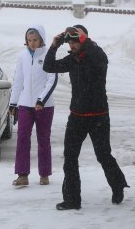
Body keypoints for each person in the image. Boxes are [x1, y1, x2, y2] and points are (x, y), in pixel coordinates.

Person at [43, 25, 129, 210]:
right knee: (70, 157)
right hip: (76, 117)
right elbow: (48, 67)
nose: (72, 45)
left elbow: (100, 60)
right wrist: (54, 46)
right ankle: (72, 199)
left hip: (98, 116)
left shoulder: (97, 54)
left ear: (84, 39)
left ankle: (118, 185)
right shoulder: (73, 60)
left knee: (103, 155)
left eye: (75, 41)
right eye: (70, 42)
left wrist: (85, 41)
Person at [10, 25, 57, 186]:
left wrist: (41, 100)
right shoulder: (23, 56)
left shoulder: (48, 56)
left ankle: (44, 174)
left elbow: (52, 80)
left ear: (41, 39)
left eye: (35, 40)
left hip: (44, 106)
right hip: (25, 105)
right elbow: (18, 81)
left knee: (43, 139)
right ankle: (22, 175)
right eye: (29, 40)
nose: (32, 43)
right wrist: (13, 103)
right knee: (22, 138)